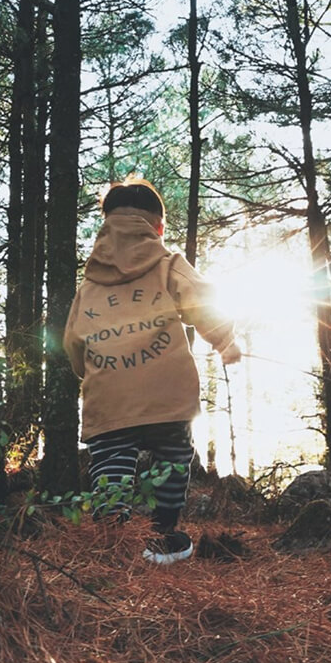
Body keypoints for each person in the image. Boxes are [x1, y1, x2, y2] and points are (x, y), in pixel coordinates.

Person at [63, 178, 242, 564]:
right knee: (173, 456)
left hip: (110, 397)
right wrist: (225, 340)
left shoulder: (89, 285)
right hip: (167, 394)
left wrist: (87, 373)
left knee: (111, 463)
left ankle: (112, 539)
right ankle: (164, 535)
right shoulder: (168, 265)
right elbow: (202, 301)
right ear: (158, 228)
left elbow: (73, 341)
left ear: (106, 228)